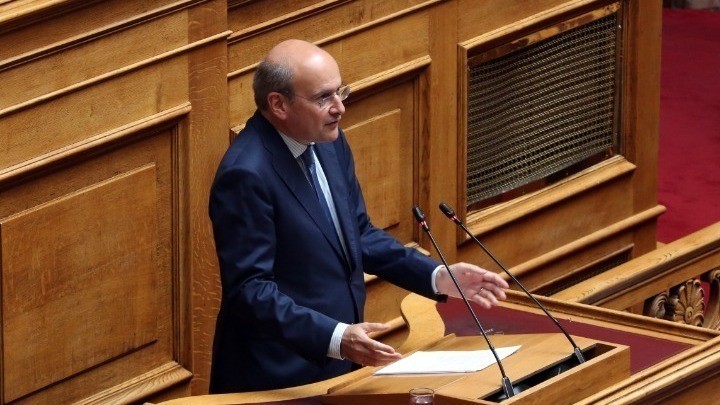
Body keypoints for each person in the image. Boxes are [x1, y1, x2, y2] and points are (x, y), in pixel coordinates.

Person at [208, 39, 509, 393]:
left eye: (340, 92)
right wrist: (336, 337)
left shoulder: (328, 142)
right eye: (324, 98)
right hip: (277, 378)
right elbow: (250, 290)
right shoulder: (246, 174)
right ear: (278, 104)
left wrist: (437, 277)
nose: (340, 108)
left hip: (340, 362)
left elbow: (358, 234)